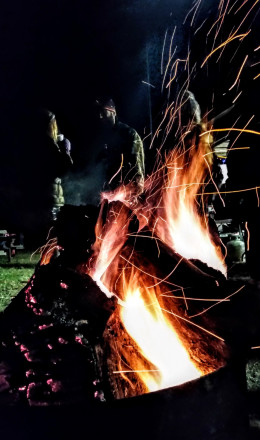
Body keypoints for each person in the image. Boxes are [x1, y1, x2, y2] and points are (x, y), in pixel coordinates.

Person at [95, 98, 145, 196]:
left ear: (112, 112)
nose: (100, 116)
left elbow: (136, 162)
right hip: (110, 190)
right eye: (99, 113)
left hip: (127, 190)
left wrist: (136, 186)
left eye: (104, 112)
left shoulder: (129, 133)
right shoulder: (103, 137)